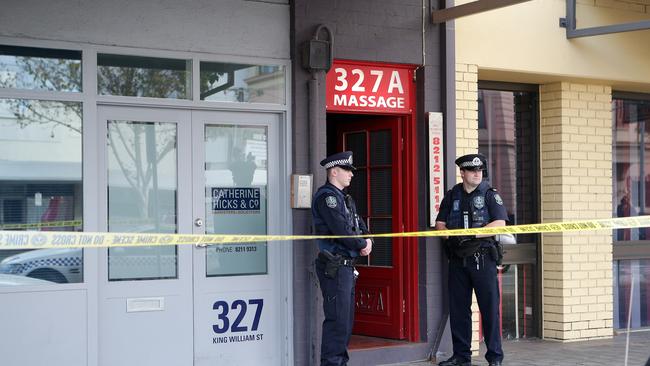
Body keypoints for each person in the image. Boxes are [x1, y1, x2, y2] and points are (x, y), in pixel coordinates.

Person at [435, 153, 508, 366]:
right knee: (459, 311)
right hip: (458, 260)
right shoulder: (452, 195)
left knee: (489, 310)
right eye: (473, 171)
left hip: (482, 259)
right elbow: (440, 223)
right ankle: (461, 356)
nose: (477, 174)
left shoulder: (489, 195)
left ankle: (495, 357)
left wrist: (471, 234)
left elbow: (500, 224)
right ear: (463, 173)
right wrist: (447, 232)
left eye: (480, 171)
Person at [312, 151, 373, 366]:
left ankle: (340, 362)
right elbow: (341, 229)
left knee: (346, 322)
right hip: (335, 266)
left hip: (346, 268)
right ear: (334, 172)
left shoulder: (345, 199)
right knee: (337, 321)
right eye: (347, 170)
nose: (351, 175)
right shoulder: (327, 198)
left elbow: (360, 226)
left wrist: (368, 241)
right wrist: (361, 244)